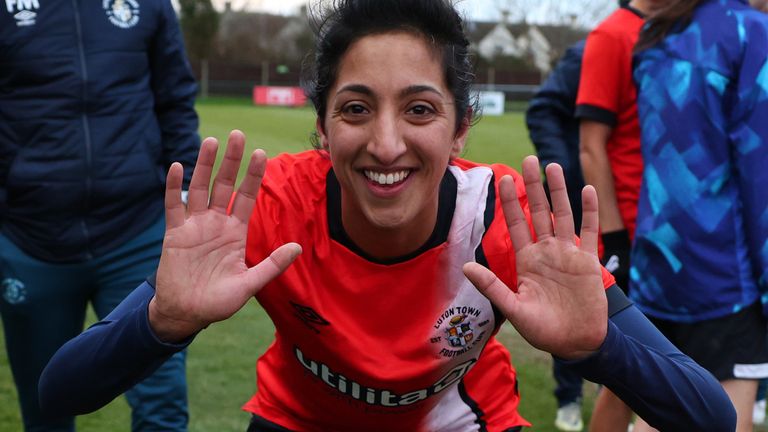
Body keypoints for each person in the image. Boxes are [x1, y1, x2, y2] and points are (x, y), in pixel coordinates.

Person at [38, 1, 735, 430]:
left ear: (461, 129)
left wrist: (601, 348)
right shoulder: (273, 203)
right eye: (356, 108)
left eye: (421, 110)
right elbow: (59, 390)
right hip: (297, 422)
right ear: (323, 126)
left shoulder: (507, 219)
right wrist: (160, 323)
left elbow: (709, 416)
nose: (387, 143)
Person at [0, 0, 199, 430]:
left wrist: (183, 189)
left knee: (161, 409)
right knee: (46, 407)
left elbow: (175, 96)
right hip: (30, 239)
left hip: (137, 232)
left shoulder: (149, 5)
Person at [632, 0, 768, 430]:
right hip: (725, 280)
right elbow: (760, 171)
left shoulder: (657, 32)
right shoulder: (750, 32)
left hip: (656, 268)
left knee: (658, 417)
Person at [574, 1, 668, 429]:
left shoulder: (683, 32)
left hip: (674, 236)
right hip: (629, 233)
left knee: (671, 371)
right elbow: (591, 145)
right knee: (626, 376)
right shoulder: (612, 35)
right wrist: (614, 238)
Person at [525, 40, 587, 432]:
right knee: (570, 295)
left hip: (649, 208)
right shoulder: (592, 50)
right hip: (586, 202)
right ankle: (570, 398)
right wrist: (563, 170)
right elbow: (543, 108)